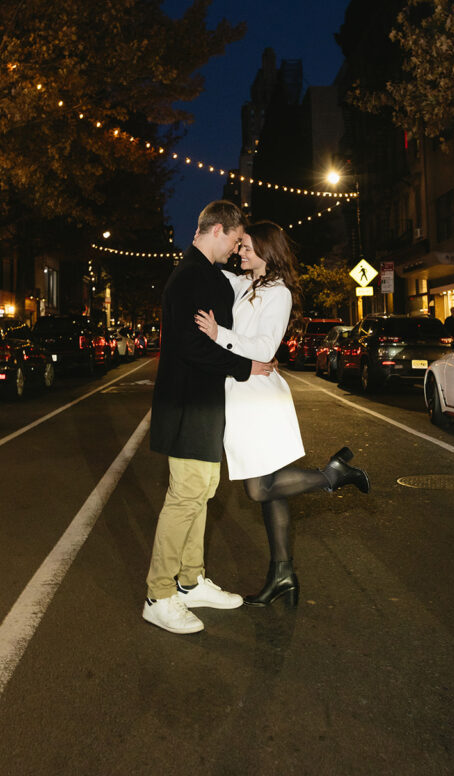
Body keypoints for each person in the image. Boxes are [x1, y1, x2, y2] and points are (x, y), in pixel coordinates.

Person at [195, 220, 370, 608]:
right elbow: (217, 270)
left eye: (248, 247)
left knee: (259, 488)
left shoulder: (279, 293)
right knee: (272, 491)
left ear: (267, 251)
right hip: (245, 397)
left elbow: (263, 345)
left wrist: (218, 334)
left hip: (259, 401)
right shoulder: (250, 285)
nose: (241, 252)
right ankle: (283, 574)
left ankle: (331, 476)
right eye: (240, 247)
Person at [144, 200, 275, 635]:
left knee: (203, 489)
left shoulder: (204, 274)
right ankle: (158, 595)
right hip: (187, 403)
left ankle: (189, 580)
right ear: (217, 230)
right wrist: (245, 366)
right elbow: (189, 345)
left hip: (201, 401)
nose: (237, 250)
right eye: (236, 240)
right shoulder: (190, 277)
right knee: (186, 495)